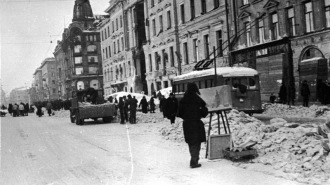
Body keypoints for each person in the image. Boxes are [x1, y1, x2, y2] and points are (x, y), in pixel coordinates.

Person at [177, 83, 207, 168]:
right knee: (196, 142)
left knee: (191, 142)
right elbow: (204, 113)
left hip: (187, 124)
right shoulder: (198, 99)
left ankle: (194, 158)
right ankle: (194, 160)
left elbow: (179, 113)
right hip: (196, 123)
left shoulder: (183, 100)